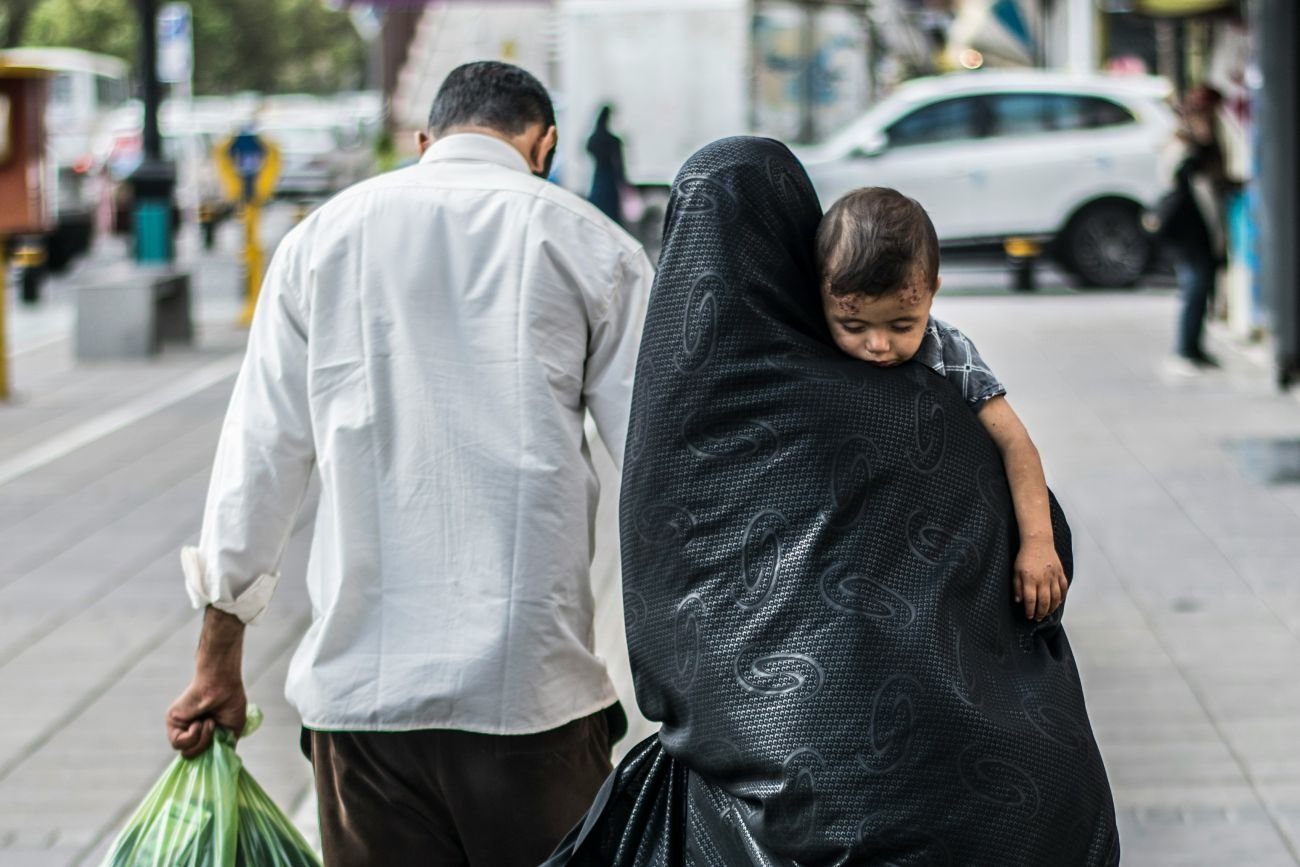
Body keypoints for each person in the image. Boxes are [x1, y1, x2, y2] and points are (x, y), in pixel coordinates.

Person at [545, 137, 1118, 866]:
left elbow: (668, 604)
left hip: (785, 794)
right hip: (983, 789)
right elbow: (1034, 557)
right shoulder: (921, 400)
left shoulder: (676, 409)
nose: (878, 343)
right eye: (860, 325)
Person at [165, 61, 653, 867]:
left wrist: (218, 660)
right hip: (531, 696)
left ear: (426, 141)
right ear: (546, 146)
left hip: (363, 712)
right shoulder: (594, 247)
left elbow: (258, 460)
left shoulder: (317, 242)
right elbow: (658, 468)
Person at [816, 187, 1067, 623]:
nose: (878, 345)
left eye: (901, 324)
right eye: (853, 324)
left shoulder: (947, 352)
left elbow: (1015, 443)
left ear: (932, 292)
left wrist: (1038, 543)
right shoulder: (809, 346)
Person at [1158, 85, 1229, 374]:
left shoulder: (1201, 142)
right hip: (1187, 229)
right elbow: (1183, 175)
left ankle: (1193, 346)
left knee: (1200, 286)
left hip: (1200, 227)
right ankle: (1186, 348)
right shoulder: (1184, 144)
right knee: (1195, 286)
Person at [586, 104, 628, 226]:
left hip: (598, 176)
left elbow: (588, 149)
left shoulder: (595, 138)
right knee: (612, 213)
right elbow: (619, 163)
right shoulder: (613, 140)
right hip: (610, 179)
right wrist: (623, 181)